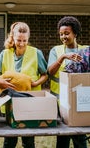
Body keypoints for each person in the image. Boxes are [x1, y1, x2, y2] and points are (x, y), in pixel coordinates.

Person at [0, 22, 48, 148]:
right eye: (18, 40)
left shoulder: (36, 53)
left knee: (28, 141)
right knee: (9, 140)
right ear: (12, 37)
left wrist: (35, 83)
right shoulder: (5, 53)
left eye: (25, 40)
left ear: (28, 38)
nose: (21, 43)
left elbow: (45, 74)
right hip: (9, 101)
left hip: (29, 100)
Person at [47, 16, 87, 148]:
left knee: (80, 138)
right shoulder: (56, 50)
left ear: (75, 33)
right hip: (60, 102)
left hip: (80, 102)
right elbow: (50, 72)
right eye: (61, 34)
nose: (63, 36)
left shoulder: (86, 50)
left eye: (67, 33)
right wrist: (63, 57)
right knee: (62, 138)